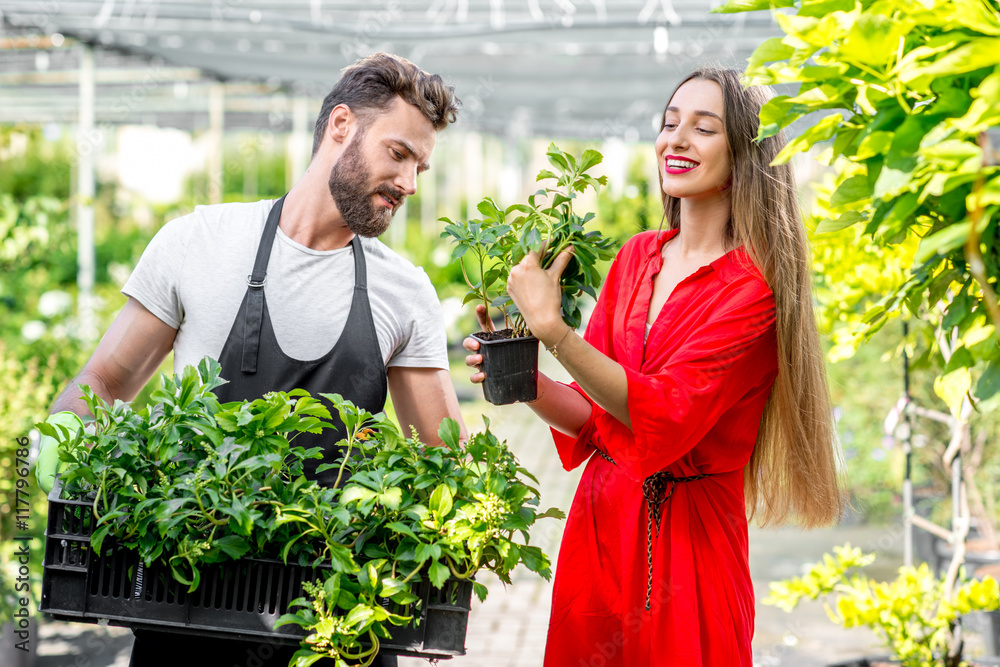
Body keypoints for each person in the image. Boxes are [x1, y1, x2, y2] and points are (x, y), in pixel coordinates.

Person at [37, 53, 463, 667]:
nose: (410, 183)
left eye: (421, 166)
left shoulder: (406, 290)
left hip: (336, 624)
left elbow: (440, 456)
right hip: (187, 604)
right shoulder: (199, 242)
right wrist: (66, 438)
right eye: (399, 154)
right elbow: (104, 380)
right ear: (341, 125)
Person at [463, 67, 843, 666]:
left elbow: (663, 410)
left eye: (704, 128)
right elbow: (596, 418)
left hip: (689, 544)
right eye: (669, 124)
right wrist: (524, 378)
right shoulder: (639, 255)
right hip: (600, 525)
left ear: (745, 151)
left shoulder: (755, 291)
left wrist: (555, 330)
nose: (677, 140)